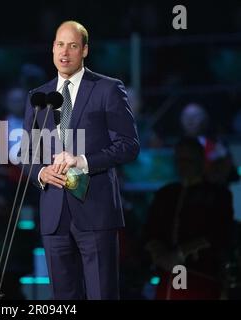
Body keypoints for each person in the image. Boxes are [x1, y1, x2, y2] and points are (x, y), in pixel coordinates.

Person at [22, 21, 140, 299]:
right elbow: (27, 155)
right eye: (60, 45)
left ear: (85, 50)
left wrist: (82, 161)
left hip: (96, 211)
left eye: (73, 46)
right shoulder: (37, 97)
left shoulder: (107, 89)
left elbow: (129, 145)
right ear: (52, 48)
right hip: (54, 215)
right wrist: (41, 173)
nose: (65, 52)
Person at [144, 137, 234, 299]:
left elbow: (220, 232)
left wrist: (180, 253)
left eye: (188, 159)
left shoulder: (217, 194)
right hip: (166, 277)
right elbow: (150, 230)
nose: (183, 164)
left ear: (199, 160)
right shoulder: (166, 194)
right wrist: (160, 255)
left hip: (200, 276)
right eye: (179, 159)